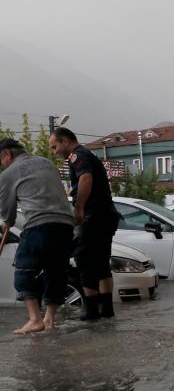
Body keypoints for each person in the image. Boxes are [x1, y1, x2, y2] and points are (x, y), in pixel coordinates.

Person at [0, 138, 75, 334]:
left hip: (40, 225)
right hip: (66, 225)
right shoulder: (47, 163)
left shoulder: (8, 174)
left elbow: (8, 212)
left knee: (24, 271)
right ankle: (49, 320)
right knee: (56, 272)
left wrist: (6, 222)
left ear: (7, 154)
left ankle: (34, 319)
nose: (2, 164)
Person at [49, 127, 120, 321]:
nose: (54, 152)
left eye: (55, 147)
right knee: (101, 262)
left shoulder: (77, 156)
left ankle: (91, 310)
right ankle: (106, 309)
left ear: (65, 141)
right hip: (106, 216)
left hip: (94, 216)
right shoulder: (87, 154)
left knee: (84, 258)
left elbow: (85, 178)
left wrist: (79, 207)